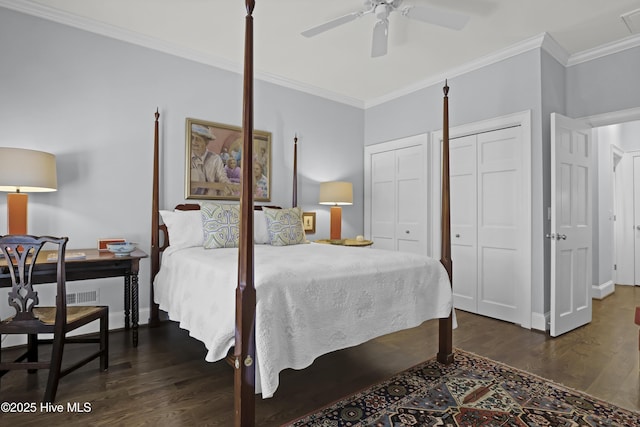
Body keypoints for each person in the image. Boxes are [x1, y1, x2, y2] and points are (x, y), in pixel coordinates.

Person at [190, 124, 231, 196]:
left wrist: (227, 186)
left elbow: (222, 177)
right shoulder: (186, 158)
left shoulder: (215, 159)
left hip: (212, 200)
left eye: (198, 139)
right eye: (192, 138)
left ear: (206, 142)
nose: (194, 142)